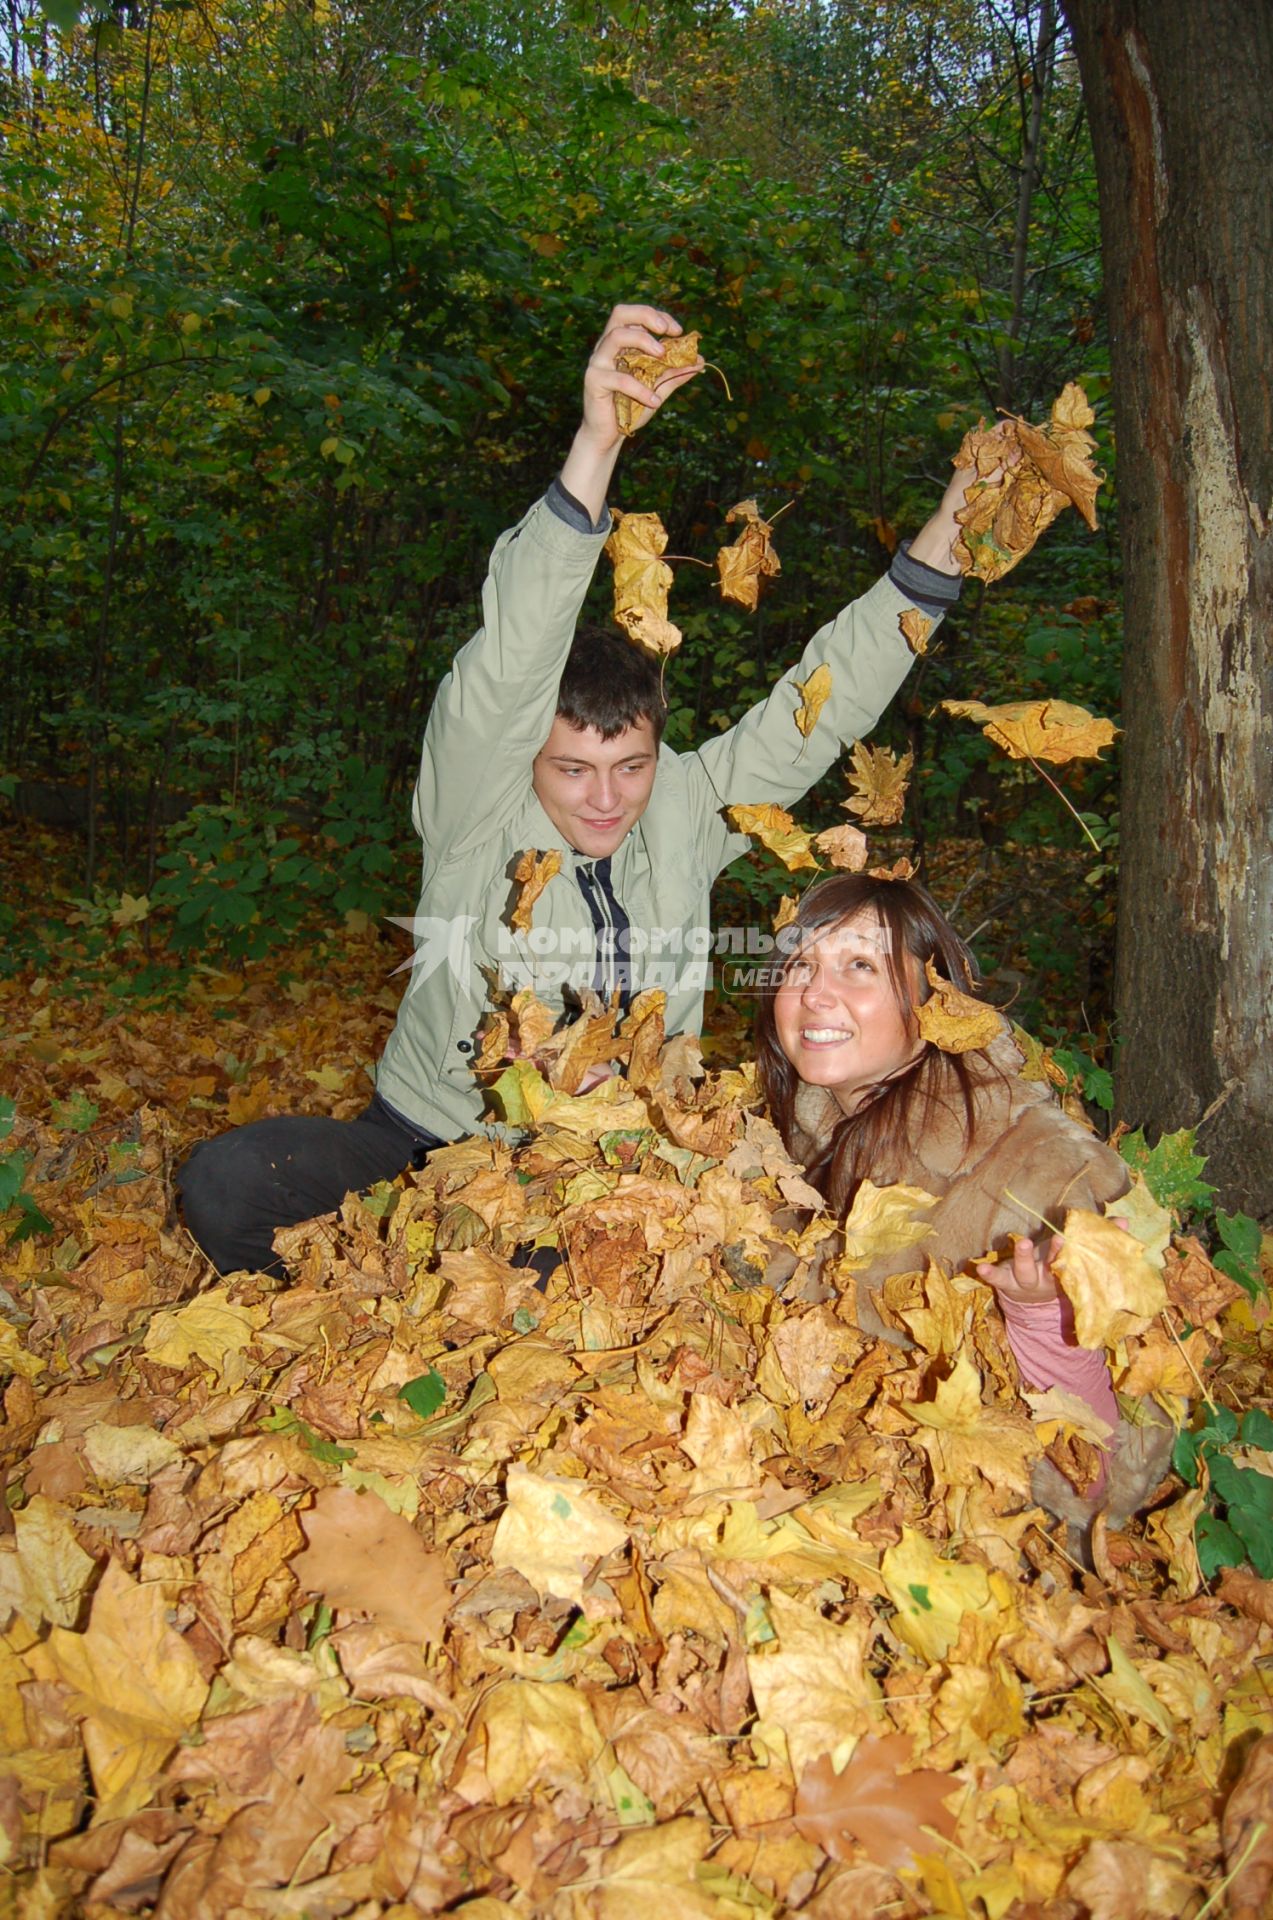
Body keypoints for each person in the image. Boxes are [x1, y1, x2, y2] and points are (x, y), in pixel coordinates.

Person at [178, 304, 978, 1278]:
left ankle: (490, 1297)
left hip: (608, 1170)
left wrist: (944, 541)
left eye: (629, 767)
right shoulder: (476, 805)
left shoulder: (686, 804)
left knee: (631, 1260)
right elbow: (509, 658)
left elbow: (816, 711)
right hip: (430, 1141)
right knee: (228, 1184)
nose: (606, 799)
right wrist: (596, 444)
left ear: (655, 747)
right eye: (571, 769)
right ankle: (381, 1304)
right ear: (526, 756)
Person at [753, 871, 1171, 1532]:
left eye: (859, 965)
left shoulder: (1050, 1175)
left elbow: (1112, 1494)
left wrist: (1043, 1325)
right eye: (798, 965)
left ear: (934, 998)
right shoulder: (785, 1147)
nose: (814, 994)